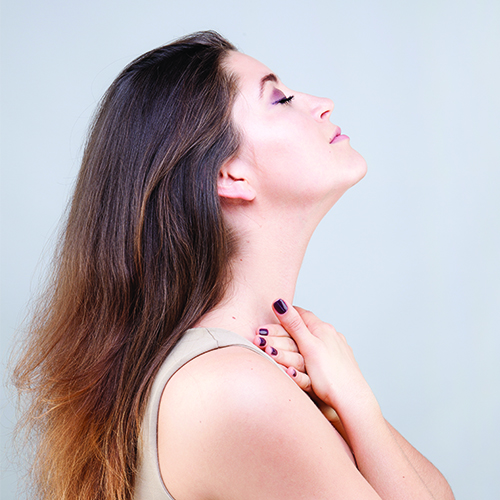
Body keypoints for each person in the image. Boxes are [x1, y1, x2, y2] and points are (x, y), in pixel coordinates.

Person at [12, 31, 454, 500]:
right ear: (229, 174)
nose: (322, 103)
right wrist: (356, 406)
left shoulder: (243, 370)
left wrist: (351, 405)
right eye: (280, 99)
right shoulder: (232, 390)